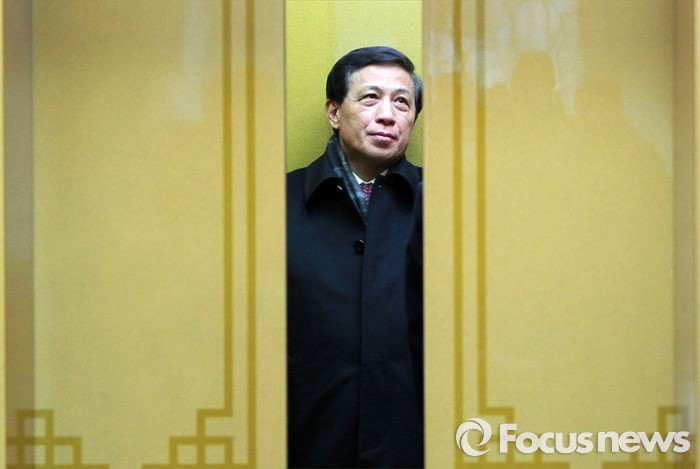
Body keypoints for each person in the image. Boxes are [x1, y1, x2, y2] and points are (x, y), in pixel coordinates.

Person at [286, 46, 424, 468]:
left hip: (412, 444)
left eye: (402, 102)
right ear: (334, 111)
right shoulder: (273, 202)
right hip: (305, 441)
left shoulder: (448, 204)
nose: (387, 115)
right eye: (370, 98)